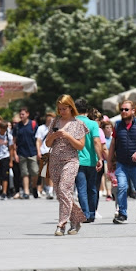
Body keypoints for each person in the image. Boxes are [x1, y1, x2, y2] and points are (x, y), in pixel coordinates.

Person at [45, 94, 87, 236]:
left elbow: (81, 146)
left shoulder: (78, 124)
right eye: (59, 109)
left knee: (64, 188)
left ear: (71, 108)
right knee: (61, 193)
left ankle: (61, 224)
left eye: (64, 109)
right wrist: (54, 136)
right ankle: (76, 220)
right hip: (55, 160)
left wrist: (68, 136)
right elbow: (47, 143)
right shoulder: (55, 122)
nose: (61, 111)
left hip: (71, 160)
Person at [108, 100, 136, 224]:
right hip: (122, 163)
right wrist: (110, 161)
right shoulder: (117, 125)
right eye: (121, 109)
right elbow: (113, 144)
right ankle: (122, 214)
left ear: (132, 111)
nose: (123, 112)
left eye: (126, 109)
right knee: (121, 187)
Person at [74, 99, 103, 223]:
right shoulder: (93, 124)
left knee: (81, 189)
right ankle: (92, 213)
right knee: (92, 188)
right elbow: (97, 142)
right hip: (91, 161)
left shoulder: (72, 124)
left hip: (77, 161)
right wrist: (100, 158)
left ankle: (85, 213)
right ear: (87, 110)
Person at [13, 107, 39, 199]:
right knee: (24, 173)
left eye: (23, 114)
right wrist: (15, 154)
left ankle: (34, 187)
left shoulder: (33, 124)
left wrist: (38, 151)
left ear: (27, 114)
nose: (21, 116)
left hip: (32, 152)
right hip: (21, 153)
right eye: (20, 114)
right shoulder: (17, 127)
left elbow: (37, 140)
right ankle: (26, 191)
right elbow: (14, 141)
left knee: (35, 172)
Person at [36, 112, 56, 199]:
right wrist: (38, 151)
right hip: (44, 151)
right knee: (45, 173)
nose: (50, 119)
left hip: (53, 152)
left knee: (51, 172)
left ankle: (51, 190)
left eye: (51, 118)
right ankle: (48, 189)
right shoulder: (41, 128)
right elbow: (38, 140)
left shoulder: (56, 128)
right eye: (48, 118)